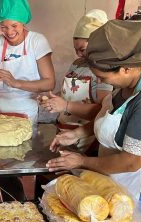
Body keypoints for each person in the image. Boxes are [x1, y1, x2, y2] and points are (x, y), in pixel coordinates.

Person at [46, 19, 141, 201]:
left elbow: (131, 162)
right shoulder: (125, 85)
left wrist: (82, 161)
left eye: (102, 77)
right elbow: (114, 120)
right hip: (111, 182)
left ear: (126, 69)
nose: (100, 82)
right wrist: (78, 133)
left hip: (134, 192)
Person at [0, 0, 55, 201]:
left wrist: (15, 82)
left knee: (21, 161)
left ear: (23, 22)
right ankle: (16, 204)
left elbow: (49, 82)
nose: (9, 31)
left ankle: (32, 204)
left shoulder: (37, 41)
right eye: (3, 26)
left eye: (14, 25)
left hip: (25, 108)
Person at [40, 9, 113, 153]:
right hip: (64, 130)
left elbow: (102, 111)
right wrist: (52, 98)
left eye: (82, 49)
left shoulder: (105, 70)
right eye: (76, 49)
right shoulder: (77, 64)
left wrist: (66, 106)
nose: (78, 54)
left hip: (86, 137)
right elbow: (67, 92)